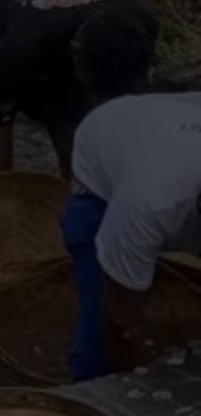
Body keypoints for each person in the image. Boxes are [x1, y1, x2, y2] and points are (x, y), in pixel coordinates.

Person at [0, 0, 158, 258]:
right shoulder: (22, 43)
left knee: (81, 154)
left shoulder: (141, 22)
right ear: (74, 53)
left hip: (65, 35)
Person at [61, 89, 201, 382]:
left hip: (174, 119)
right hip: (103, 160)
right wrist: (142, 390)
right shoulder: (151, 202)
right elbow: (121, 319)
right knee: (98, 346)